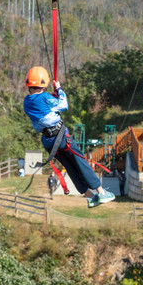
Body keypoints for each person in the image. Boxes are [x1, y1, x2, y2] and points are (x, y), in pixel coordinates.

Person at [23, 66, 115, 208]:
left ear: (29, 84)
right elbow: (63, 105)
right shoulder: (45, 97)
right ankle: (101, 192)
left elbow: (43, 107)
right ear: (45, 83)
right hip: (61, 137)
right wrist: (59, 90)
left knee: (70, 167)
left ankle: (90, 197)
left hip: (48, 142)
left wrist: (52, 97)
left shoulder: (27, 102)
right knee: (80, 161)